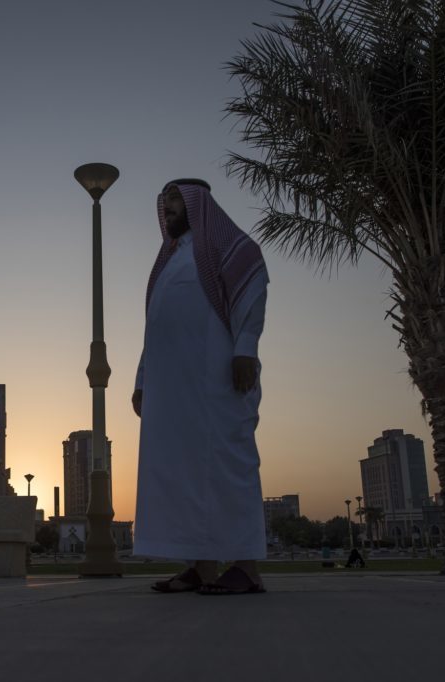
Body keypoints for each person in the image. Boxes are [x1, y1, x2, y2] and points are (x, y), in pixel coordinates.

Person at [132, 178, 269, 595]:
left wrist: (245, 348)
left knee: (226, 464)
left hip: (217, 380)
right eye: (165, 199)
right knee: (182, 472)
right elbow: (156, 328)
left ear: (199, 204)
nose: (168, 206)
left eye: (176, 198)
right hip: (173, 391)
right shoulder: (170, 260)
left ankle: (246, 567)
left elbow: (253, 292)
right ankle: (201, 566)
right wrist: (143, 381)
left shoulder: (229, 248)